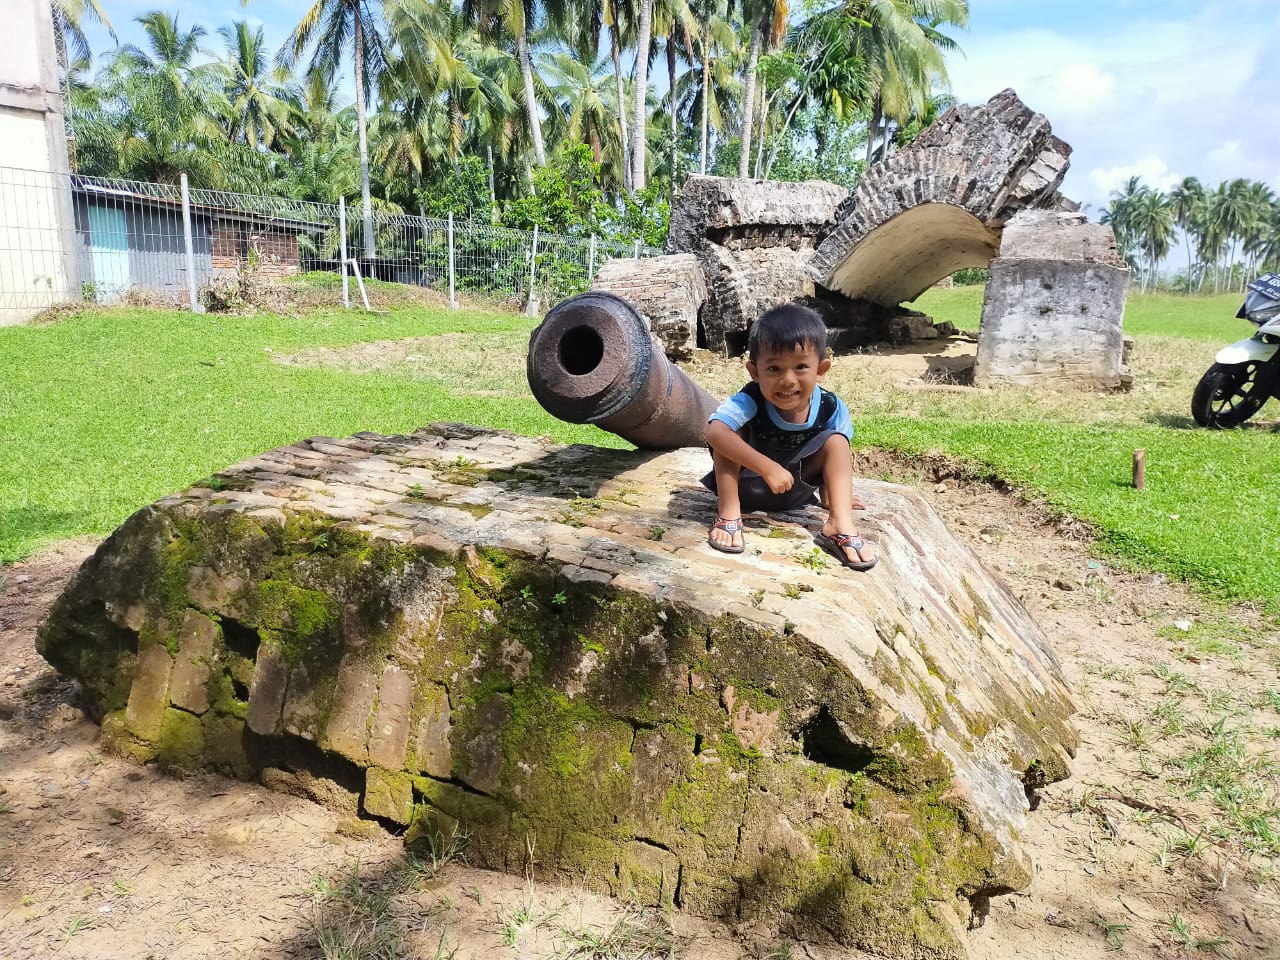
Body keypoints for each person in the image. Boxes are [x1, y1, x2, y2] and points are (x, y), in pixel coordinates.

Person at [702, 302, 878, 571]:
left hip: (796, 490)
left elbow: (836, 457)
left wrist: (832, 495)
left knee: (837, 441)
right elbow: (714, 432)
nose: (787, 380)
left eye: (800, 367)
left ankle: (839, 523)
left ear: (821, 369)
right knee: (727, 430)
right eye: (774, 369)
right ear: (754, 371)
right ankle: (728, 513)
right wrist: (766, 466)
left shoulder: (831, 406)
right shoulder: (750, 399)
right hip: (746, 486)